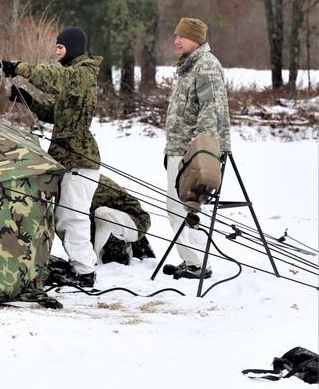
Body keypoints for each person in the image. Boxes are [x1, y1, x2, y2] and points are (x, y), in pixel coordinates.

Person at [2, 25, 102, 287]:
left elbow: (51, 79)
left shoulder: (81, 74)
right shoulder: (73, 77)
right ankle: (79, 267)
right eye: (56, 47)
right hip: (67, 159)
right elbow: (53, 113)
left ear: (73, 48)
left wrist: (20, 68)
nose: (57, 52)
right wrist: (28, 101)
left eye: (61, 47)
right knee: (63, 218)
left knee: (73, 217)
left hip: (81, 160)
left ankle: (84, 272)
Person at [162, 17, 231, 279]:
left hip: (193, 154)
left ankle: (198, 263)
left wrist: (202, 156)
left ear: (196, 39)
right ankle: (191, 261)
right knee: (174, 207)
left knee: (186, 208)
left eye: (181, 37)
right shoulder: (189, 66)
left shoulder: (206, 67)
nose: (176, 41)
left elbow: (210, 114)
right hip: (178, 149)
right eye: (175, 36)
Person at [89, 175, 155, 266]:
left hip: (137, 222)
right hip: (120, 220)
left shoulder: (86, 183)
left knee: (102, 215)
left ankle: (122, 250)